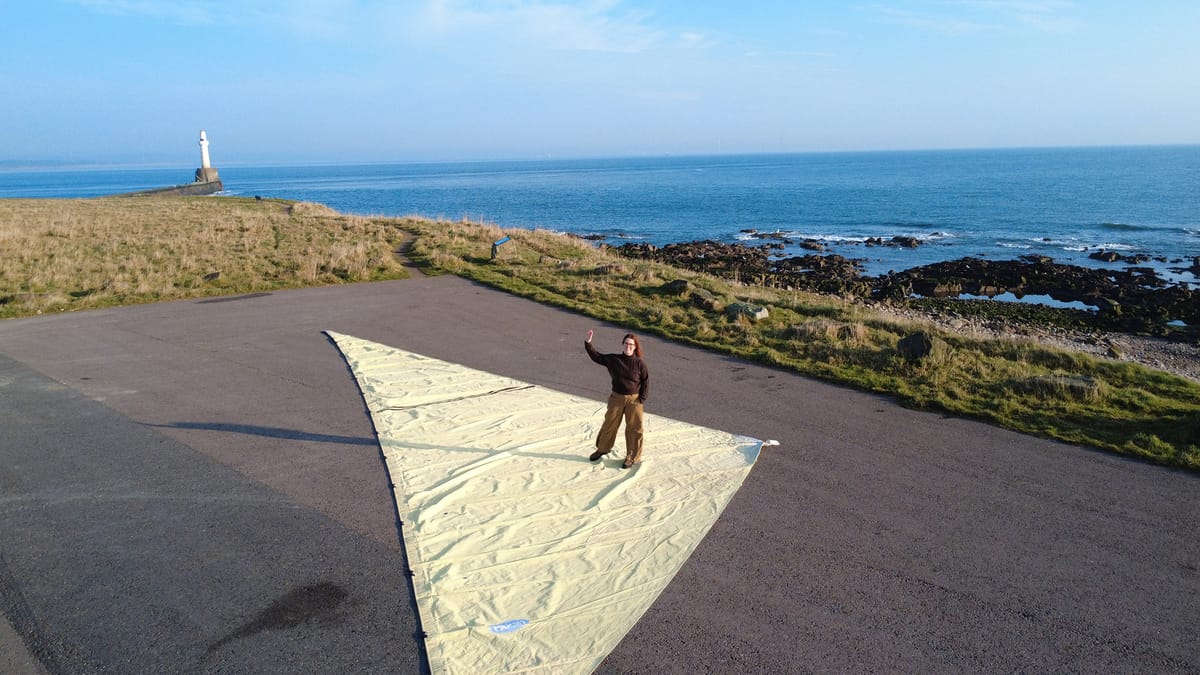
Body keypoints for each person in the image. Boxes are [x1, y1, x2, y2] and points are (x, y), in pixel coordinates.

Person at [584, 329, 650, 468]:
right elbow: (597, 357)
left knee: (634, 428)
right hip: (616, 398)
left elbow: (645, 381)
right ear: (622, 344)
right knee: (609, 424)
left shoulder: (639, 363)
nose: (628, 346)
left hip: (634, 401)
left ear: (635, 347)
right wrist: (588, 343)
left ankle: (631, 456)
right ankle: (602, 449)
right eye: (626, 343)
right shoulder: (614, 360)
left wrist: (642, 398)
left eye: (631, 344)